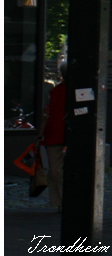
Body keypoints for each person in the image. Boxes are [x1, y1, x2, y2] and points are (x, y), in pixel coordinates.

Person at [36, 65, 68, 209]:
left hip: (54, 133)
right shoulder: (58, 91)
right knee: (56, 171)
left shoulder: (56, 91)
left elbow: (48, 114)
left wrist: (41, 134)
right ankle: (61, 201)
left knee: (55, 170)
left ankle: (59, 201)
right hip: (57, 133)